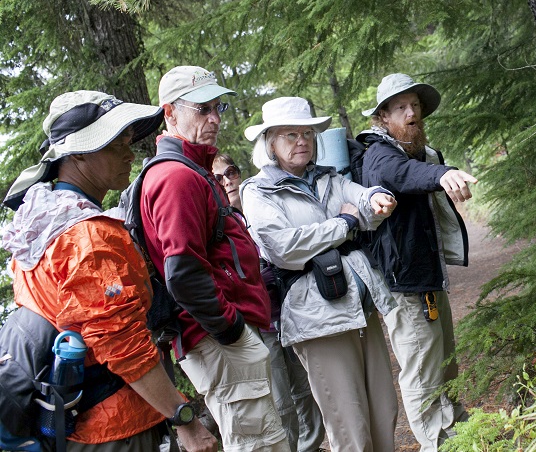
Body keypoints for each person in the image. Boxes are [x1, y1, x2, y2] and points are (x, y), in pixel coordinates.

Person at [0, 90, 218, 451]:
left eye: (128, 141)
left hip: (74, 418)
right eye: (116, 143)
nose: (129, 153)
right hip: (112, 425)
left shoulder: (42, 221)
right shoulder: (87, 237)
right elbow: (123, 345)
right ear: (80, 152)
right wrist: (183, 418)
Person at [142, 66, 289, 451]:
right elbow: (184, 272)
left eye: (218, 107)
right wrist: (232, 331)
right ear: (170, 112)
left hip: (219, 336)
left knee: (262, 436)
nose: (215, 118)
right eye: (203, 108)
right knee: (260, 443)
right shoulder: (176, 178)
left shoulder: (193, 170)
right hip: (217, 339)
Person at [240, 96, 399, 452]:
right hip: (316, 316)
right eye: (290, 135)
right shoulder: (257, 191)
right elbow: (283, 247)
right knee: (349, 424)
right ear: (270, 144)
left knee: (384, 408)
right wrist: (343, 223)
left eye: (307, 134)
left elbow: (362, 199)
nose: (302, 141)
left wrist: (377, 198)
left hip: (361, 306)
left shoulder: (329, 178)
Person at [357, 73, 477, 451]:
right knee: (422, 367)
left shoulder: (421, 151)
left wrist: (440, 170)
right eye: (401, 108)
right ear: (382, 118)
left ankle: (458, 428)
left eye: (416, 106)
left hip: (427, 277)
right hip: (402, 285)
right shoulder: (378, 154)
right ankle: (437, 443)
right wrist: (443, 174)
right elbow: (401, 175)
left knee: (444, 359)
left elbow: (417, 171)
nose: (412, 113)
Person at [212, 153, 326, 452]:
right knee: (280, 401)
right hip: (258, 324)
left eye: (231, 172)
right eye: (218, 178)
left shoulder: (261, 203)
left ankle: (311, 446)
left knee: (307, 390)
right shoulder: (218, 223)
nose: (227, 181)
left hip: (290, 311)